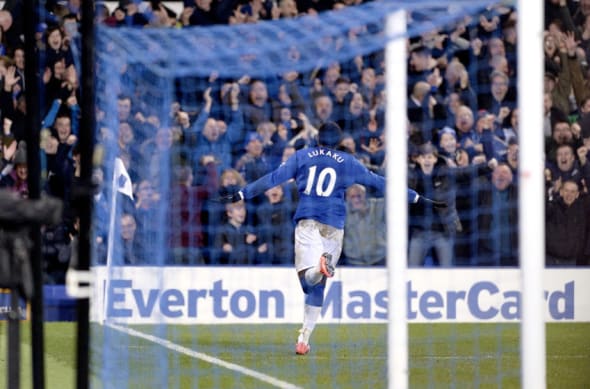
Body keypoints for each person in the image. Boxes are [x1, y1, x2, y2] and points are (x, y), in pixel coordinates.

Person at [219, 121, 442, 355]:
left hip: (309, 221)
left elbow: (273, 178)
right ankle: (304, 338)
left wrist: (242, 193)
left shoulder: (302, 155)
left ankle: (318, 269)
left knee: (309, 282)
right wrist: (415, 197)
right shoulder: (348, 162)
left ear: (317, 139)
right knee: (319, 286)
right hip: (335, 226)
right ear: (337, 142)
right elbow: (380, 183)